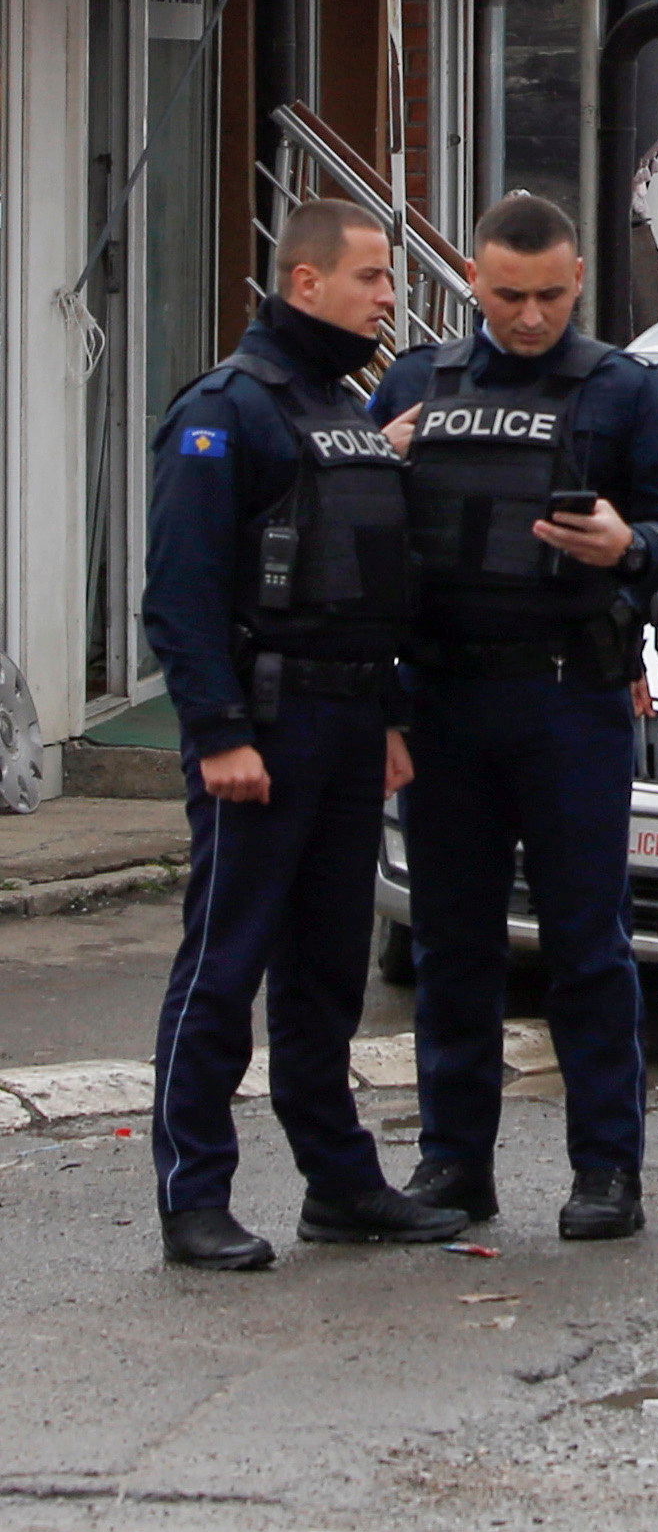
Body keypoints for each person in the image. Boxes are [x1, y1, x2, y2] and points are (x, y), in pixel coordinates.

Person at [375, 193, 658, 1242]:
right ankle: (452, 1164)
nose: (529, 317)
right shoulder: (414, 383)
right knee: (453, 942)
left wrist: (632, 547)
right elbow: (347, 541)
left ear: (578, 283)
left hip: (567, 694)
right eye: (509, 295)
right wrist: (369, 461)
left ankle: (608, 1166)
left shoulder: (621, 389)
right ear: (473, 281)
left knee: (585, 942)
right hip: (442, 697)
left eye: (551, 297)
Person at [140, 202, 471, 1270]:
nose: (387, 293)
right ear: (303, 282)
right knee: (224, 966)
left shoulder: (337, 407)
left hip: (341, 722)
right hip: (262, 729)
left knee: (328, 969)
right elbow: (180, 595)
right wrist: (218, 731)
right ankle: (195, 1195)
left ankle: (339, 1183)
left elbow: (360, 581)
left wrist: (382, 716)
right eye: (371, 276)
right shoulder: (227, 409)